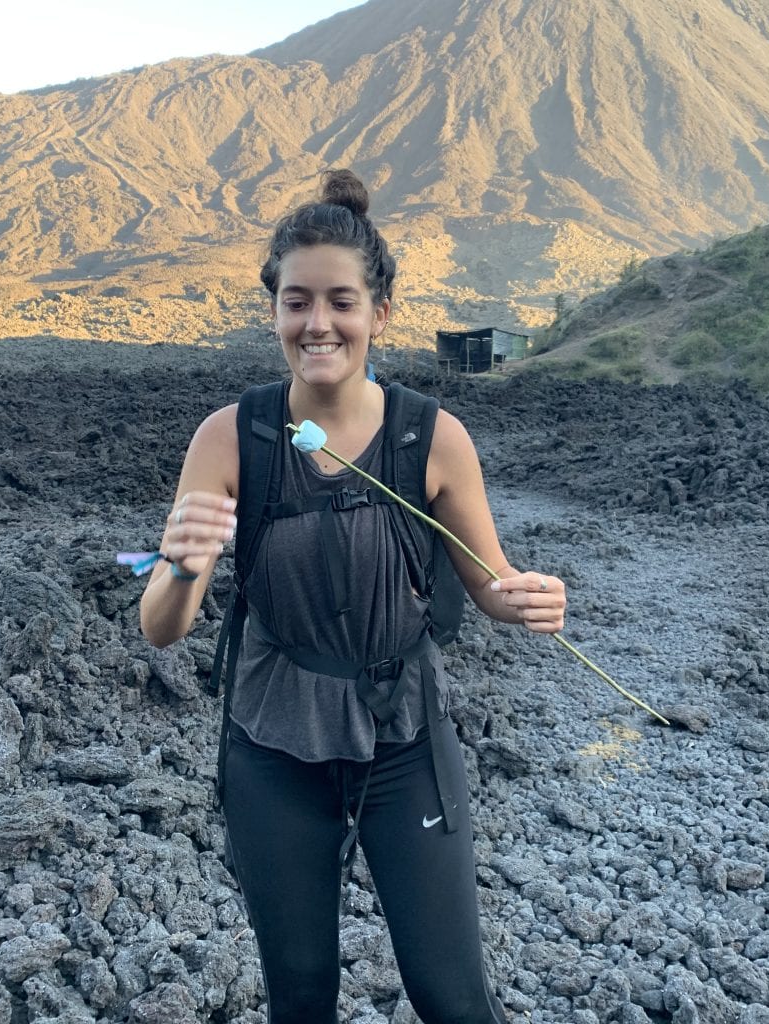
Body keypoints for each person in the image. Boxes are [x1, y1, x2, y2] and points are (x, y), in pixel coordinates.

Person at [139, 169, 567, 1024]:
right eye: (297, 302)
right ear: (274, 311)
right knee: (300, 996)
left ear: (381, 311)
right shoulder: (230, 436)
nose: (318, 323)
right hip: (273, 744)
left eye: (340, 301)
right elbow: (161, 627)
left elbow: (486, 583)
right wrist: (184, 565)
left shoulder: (431, 436)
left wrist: (525, 599)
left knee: (453, 996)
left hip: (406, 738)